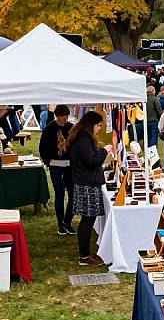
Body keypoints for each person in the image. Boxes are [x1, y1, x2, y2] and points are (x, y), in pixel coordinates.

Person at [67, 111, 113, 266]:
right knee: (87, 220)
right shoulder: (82, 139)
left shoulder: (82, 137)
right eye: (98, 125)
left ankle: (85, 253)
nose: (99, 128)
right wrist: (104, 150)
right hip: (86, 184)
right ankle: (84, 256)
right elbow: (92, 160)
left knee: (88, 219)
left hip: (86, 182)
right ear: (91, 124)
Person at [39, 104, 75, 236]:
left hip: (69, 166)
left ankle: (67, 222)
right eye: (63, 116)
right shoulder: (49, 129)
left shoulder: (71, 128)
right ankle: (61, 224)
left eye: (66, 115)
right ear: (57, 116)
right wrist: (48, 162)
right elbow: (43, 148)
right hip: (55, 166)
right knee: (59, 195)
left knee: (72, 194)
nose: (65, 118)